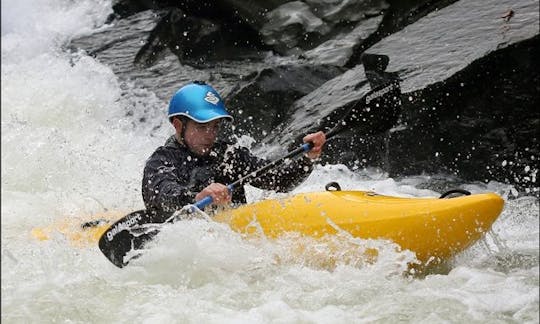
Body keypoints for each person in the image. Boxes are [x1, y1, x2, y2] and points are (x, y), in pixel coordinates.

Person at [142, 81, 326, 215]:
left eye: (215, 126)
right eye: (201, 127)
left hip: (233, 240)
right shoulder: (161, 161)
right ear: (178, 125)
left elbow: (280, 180)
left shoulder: (229, 155)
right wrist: (196, 197)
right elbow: (163, 195)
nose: (210, 134)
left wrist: (308, 158)